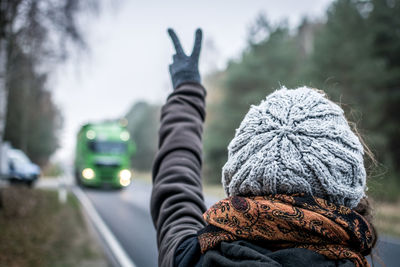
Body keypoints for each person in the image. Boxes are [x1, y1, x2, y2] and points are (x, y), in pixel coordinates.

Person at [150, 28, 377, 267]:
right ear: (350, 188)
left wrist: (186, 90)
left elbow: (176, 189)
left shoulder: (192, 258)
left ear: (239, 176)